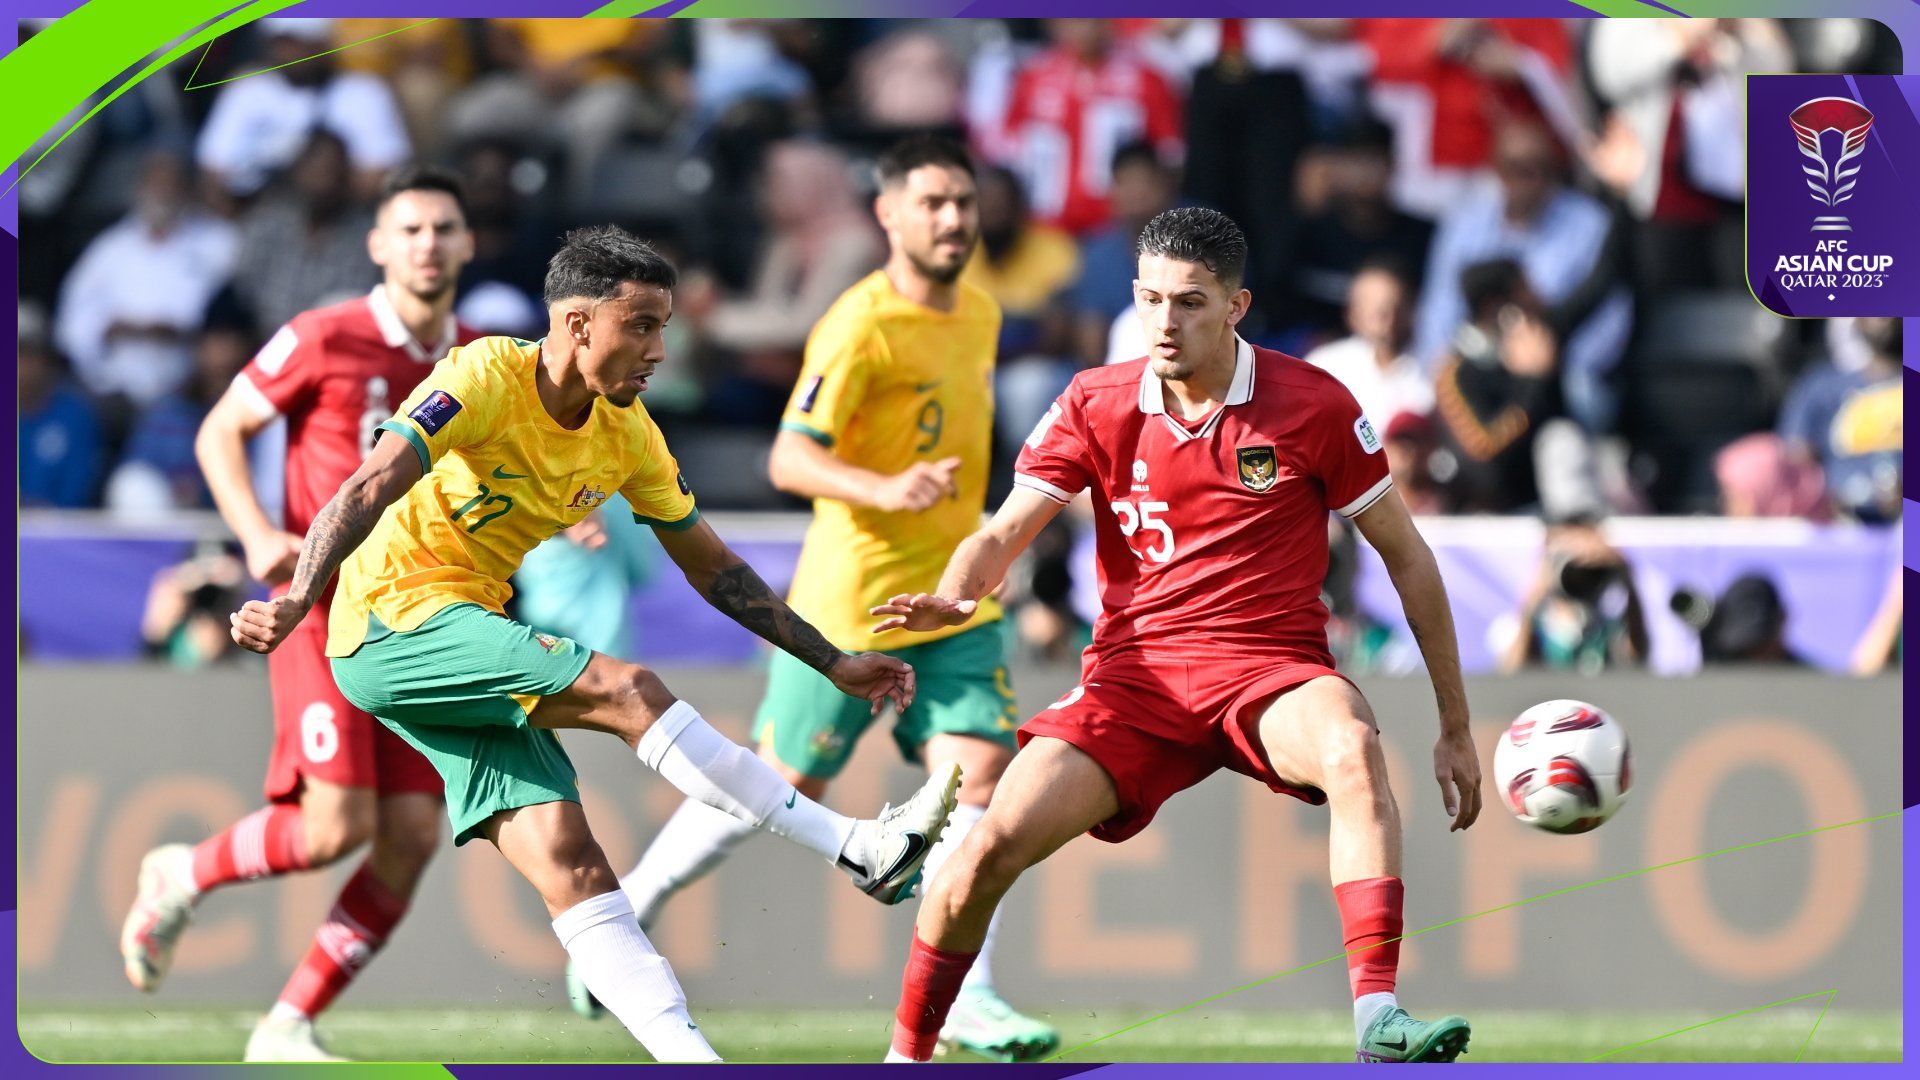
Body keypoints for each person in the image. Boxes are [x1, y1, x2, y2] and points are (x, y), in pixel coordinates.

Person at [226, 225, 957, 1064]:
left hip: (467, 628)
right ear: (576, 324)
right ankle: (858, 848)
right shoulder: (483, 374)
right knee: (628, 690)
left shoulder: (629, 435)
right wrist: (296, 599)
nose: (658, 349)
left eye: (664, 327)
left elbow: (714, 570)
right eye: (640, 325)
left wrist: (833, 661)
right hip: (389, 618)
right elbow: (370, 482)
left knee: (571, 863)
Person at [875, 208, 1481, 1064]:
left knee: (1350, 747)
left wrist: (1454, 725)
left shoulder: (1313, 404)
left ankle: (1376, 1016)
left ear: (1236, 306)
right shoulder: (1095, 399)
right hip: (1135, 683)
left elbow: (1410, 563)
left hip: (1270, 674)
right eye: (1152, 299)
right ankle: (906, 1057)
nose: (1165, 322)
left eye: (1189, 302)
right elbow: (1001, 533)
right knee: (982, 853)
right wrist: (953, 591)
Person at [608, 135, 1058, 1062]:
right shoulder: (860, 324)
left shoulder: (979, 309)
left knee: (982, 778)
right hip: (850, 604)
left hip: (954, 602)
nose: (953, 219)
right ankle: (634, 905)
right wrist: (883, 489)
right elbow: (789, 456)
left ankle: (970, 996)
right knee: (785, 785)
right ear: (887, 215)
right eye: (932, 202)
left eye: (964, 203)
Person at [118, 168, 485, 1061]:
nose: (428, 243)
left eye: (444, 227)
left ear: (469, 244)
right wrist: (254, 534)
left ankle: (287, 1028)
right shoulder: (326, 334)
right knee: (335, 827)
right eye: (411, 229)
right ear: (380, 245)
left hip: (418, 618)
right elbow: (221, 428)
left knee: (408, 837)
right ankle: (183, 871)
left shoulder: (479, 360)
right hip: (318, 611)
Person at [1499, 515, 1647, 675]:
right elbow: (1511, 671)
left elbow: (1637, 657)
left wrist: (1625, 578)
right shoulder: (1539, 622)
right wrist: (1535, 596)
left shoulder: (1607, 624)